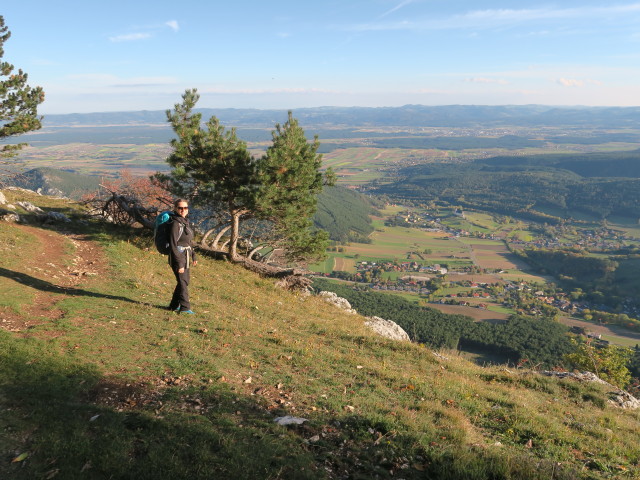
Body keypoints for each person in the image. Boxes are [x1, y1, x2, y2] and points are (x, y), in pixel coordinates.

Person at [168, 198, 197, 314]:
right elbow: (173, 244)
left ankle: (173, 306)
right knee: (183, 282)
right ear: (175, 208)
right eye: (180, 208)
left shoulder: (184, 222)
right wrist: (179, 263)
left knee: (184, 281)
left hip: (186, 256)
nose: (183, 210)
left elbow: (188, 242)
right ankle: (185, 308)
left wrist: (194, 256)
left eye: (185, 208)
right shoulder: (175, 224)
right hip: (178, 257)